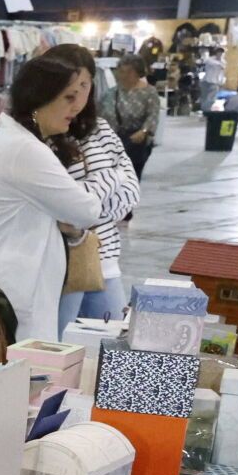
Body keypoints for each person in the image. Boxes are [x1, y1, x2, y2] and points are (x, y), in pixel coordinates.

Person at [0, 53, 105, 343]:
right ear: (41, 98)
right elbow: (88, 210)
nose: (76, 107)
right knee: (17, 380)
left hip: (16, 284)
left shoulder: (17, 140)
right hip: (16, 290)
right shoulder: (25, 150)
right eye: (68, 97)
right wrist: (108, 181)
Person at [50, 45, 140, 325]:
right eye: (69, 89)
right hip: (63, 263)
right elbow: (67, 208)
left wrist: (89, 205)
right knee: (58, 350)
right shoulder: (47, 136)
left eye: (84, 86)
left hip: (106, 260)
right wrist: (112, 177)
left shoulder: (101, 129)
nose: (77, 98)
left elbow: (131, 193)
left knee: (111, 346)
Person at [99, 53, 160, 183]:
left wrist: (144, 131)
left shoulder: (149, 92)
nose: (124, 75)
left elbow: (153, 115)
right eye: (121, 71)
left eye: (129, 72)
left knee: (131, 178)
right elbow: (100, 113)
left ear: (138, 72)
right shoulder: (111, 93)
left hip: (135, 142)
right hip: (112, 142)